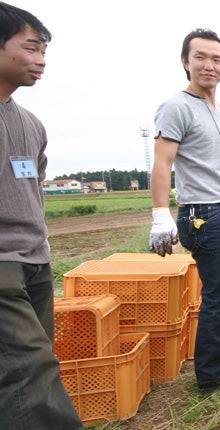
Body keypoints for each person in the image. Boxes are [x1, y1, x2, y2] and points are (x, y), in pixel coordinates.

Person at [149, 28, 220, 394]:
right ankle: (212, 371)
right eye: (200, 57)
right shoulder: (176, 107)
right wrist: (160, 213)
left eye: (216, 59)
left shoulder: (219, 112)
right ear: (185, 62)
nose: (208, 65)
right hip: (201, 215)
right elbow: (163, 163)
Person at [0, 3, 83, 428]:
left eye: (44, 51)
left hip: (35, 261)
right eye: (31, 48)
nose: (41, 60)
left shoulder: (31, 123)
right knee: (31, 371)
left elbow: (34, 183)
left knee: (24, 368)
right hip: (3, 267)